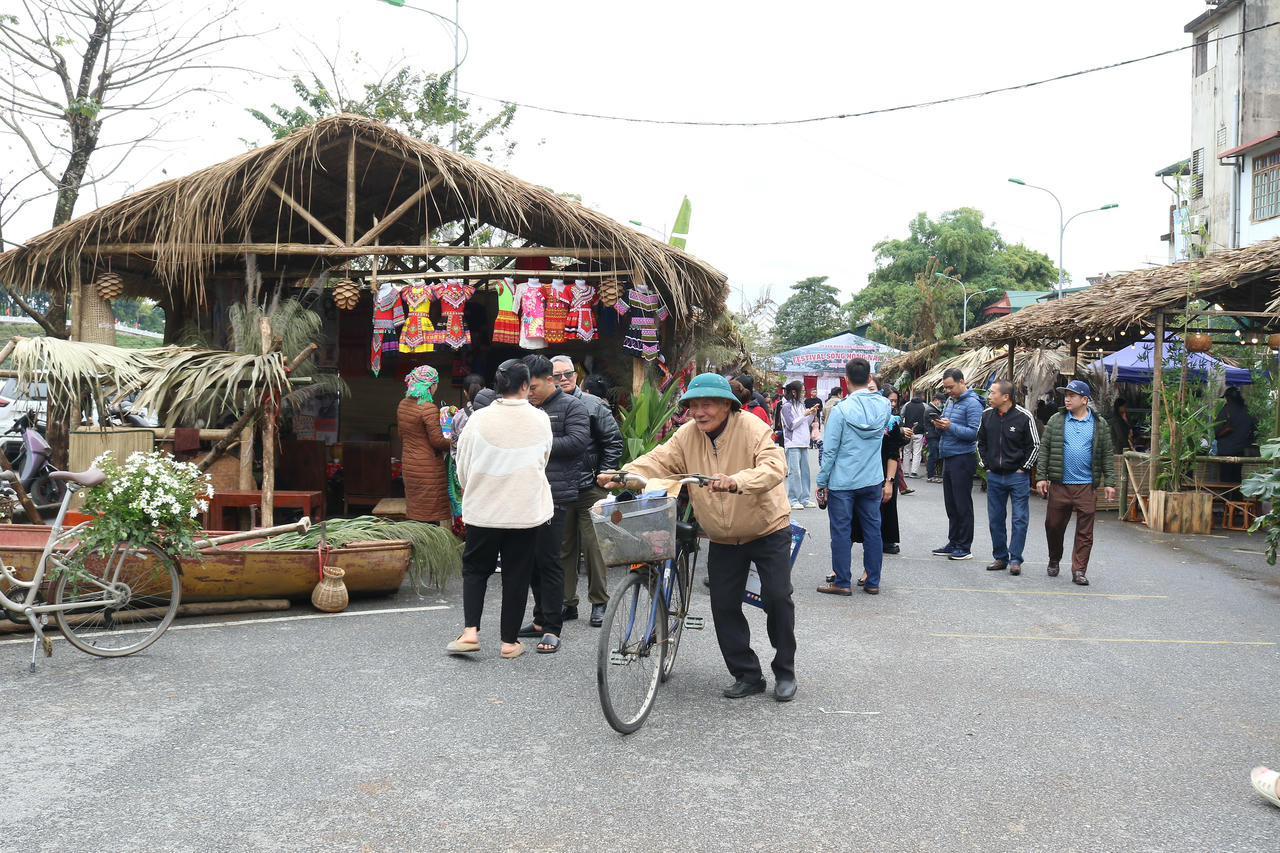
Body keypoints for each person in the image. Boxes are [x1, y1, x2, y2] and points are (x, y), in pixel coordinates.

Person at [601, 373, 796, 701]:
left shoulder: (751, 428)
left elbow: (774, 467)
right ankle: (747, 674)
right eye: (693, 405)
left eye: (707, 404)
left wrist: (736, 481)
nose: (699, 412)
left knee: (777, 598)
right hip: (721, 536)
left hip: (766, 528)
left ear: (726, 405)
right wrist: (625, 474)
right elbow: (658, 461)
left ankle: (785, 670)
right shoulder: (686, 436)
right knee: (723, 605)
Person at [447, 359, 552, 660]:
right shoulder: (540, 419)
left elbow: (462, 466)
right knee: (517, 574)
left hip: (484, 508)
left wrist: (476, 487)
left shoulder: (478, 420)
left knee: (476, 569)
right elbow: (542, 460)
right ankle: (509, 642)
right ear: (524, 385)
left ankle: (470, 632)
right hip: (524, 509)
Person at [516, 354, 590, 653]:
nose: (529, 393)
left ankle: (552, 628)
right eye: (525, 388)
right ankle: (538, 619)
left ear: (551, 380)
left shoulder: (573, 406)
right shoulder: (526, 407)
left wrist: (535, 444)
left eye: (533, 387)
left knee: (549, 561)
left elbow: (576, 443)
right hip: (525, 494)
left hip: (556, 494)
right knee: (531, 562)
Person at [550, 355, 623, 628]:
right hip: (559, 490)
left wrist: (603, 475)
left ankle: (599, 603)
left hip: (590, 488)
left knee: (594, 547)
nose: (563, 379)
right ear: (549, 378)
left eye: (568, 373)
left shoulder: (593, 405)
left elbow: (614, 441)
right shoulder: (545, 407)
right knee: (563, 549)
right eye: (557, 376)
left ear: (576, 375)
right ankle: (566, 603)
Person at [816, 358, 892, 596]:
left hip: (843, 481)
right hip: (872, 478)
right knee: (872, 530)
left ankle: (842, 581)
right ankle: (873, 581)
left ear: (845, 380)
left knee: (841, 531)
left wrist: (822, 482)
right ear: (870, 378)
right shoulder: (884, 406)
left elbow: (829, 450)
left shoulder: (841, 410)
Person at [1036, 379, 1116, 586]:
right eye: (1066, 395)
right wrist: (1041, 477)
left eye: (1072, 395)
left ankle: (1079, 570)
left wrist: (1109, 482)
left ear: (1084, 400)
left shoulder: (1099, 424)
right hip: (1060, 485)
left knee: (1085, 531)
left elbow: (1107, 453)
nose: (1067, 398)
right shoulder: (1056, 420)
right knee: (1053, 525)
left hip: (1086, 486)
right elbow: (1044, 449)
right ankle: (1054, 557)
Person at [976, 379, 1040, 576]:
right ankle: (1000, 557)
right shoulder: (986, 416)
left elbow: (1035, 445)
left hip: (1017, 477)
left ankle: (1015, 559)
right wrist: (985, 466)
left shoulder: (1024, 416)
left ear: (1006, 397)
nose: (989, 396)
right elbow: (980, 443)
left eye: (993, 392)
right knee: (995, 518)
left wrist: (1024, 468)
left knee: (1020, 518)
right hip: (994, 476)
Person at [928, 369, 984, 561]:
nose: (948, 391)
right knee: (951, 504)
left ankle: (964, 546)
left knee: (962, 504)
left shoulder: (973, 403)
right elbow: (949, 425)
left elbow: (974, 433)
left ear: (962, 382)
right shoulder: (951, 401)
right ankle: (953, 542)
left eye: (951, 387)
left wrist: (950, 426)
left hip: (963, 457)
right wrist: (940, 424)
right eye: (945, 388)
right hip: (949, 456)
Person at [397, 365, 452, 524]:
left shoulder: (403, 405)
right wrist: (457, 441)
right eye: (436, 384)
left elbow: (402, 434)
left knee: (416, 514)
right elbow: (437, 441)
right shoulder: (428, 408)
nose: (436, 388)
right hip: (428, 469)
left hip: (410, 465)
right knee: (430, 517)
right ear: (430, 385)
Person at [780, 381, 819, 509]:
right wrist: (804, 415)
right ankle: (793, 499)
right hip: (792, 444)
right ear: (794, 392)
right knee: (794, 473)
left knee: (805, 472)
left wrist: (811, 414)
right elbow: (791, 425)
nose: (803, 393)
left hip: (803, 443)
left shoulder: (801, 405)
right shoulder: (786, 406)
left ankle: (805, 498)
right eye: (801, 391)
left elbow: (804, 423)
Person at [1213, 386, 1258, 483]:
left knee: (1225, 478)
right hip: (1240, 450)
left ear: (1228, 398)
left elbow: (1215, 430)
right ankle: (1237, 497)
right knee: (1237, 477)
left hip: (1225, 450)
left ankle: (1225, 497)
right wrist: (1248, 441)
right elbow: (1257, 429)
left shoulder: (1225, 410)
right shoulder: (1248, 411)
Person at [449, 373, 486, 454]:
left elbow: (454, 446)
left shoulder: (459, 416)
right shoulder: (492, 413)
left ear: (465, 392)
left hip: (465, 464)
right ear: (484, 389)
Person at [900, 392, 928, 478]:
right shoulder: (925, 406)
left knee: (906, 451)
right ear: (922, 396)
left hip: (908, 431)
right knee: (917, 452)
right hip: (919, 432)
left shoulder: (907, 404)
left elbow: (901, 415)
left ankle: (905, 472)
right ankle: (914, 472)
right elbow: (927, 417)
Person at [923, 393, 945, 482]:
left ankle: (931, 474)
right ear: (936, 400)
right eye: (941, 402)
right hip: (932, 435)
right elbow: (936, 422)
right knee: (933, 455)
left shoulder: (933, 409)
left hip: (934, 435)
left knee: (935, 455)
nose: (942, 404)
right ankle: (930, 475)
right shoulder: (930, 410)